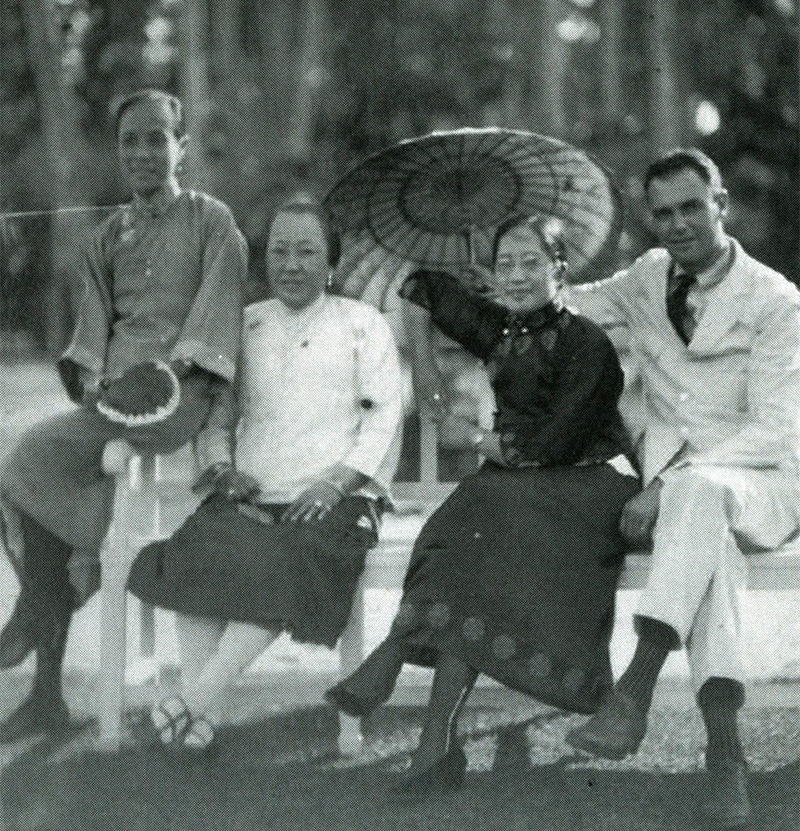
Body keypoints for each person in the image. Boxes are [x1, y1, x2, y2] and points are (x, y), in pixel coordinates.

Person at [326, 214, 640, 793]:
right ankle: (433, 744)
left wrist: (479, 438)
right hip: (518, 489)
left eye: (531, 263)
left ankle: (396, 656)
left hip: (589, 482)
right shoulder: (499, 328)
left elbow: (557, 442)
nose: (516, 276)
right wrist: (424, 371)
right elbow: (422, 287)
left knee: (483, 517)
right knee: (457, 532)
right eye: (505, 265)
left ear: (560, 270)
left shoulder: (586, 343)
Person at [0, 89, 247, 741]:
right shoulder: (107, 236)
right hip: (113, 404)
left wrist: (169, 372)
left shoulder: (212, 221)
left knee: (45, 464)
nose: (141, 152)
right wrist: (89, 379)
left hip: (179, 397)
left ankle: (42, 607)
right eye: (129, 140)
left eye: (155, 138)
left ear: (181, 148)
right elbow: (89, 336)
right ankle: (47, 669)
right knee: (24, 463)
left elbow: (216, 318)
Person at [564, 148, 800, 829]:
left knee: (695, 498)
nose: (678, 224)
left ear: (720, 204)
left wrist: (666, 487)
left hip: (766, 484)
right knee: (706, 544)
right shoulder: (647, 276)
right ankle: (726, 756)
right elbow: (570, 304)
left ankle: (635, 686)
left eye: (692, 206)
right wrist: (510, 271)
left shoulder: (776, 300)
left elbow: (776, 432)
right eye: (663, 213)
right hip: (694, 506)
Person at [126, 198, 404, 756]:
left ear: (331, 263)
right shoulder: (246, 323)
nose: (291, 264)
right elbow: (217, 417)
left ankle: (191, 702)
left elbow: (384, 415)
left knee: (287, 563)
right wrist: (221, 468)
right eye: (280, 251)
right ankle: (199, 719)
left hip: (335, 499)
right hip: (252, 492)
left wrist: (337, 483)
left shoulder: (361, 323)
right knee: (197, 554)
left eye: (307, 252)